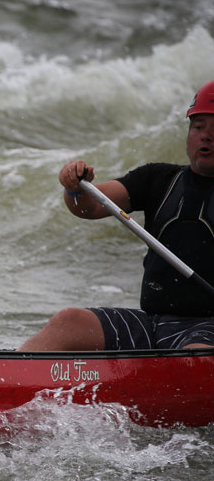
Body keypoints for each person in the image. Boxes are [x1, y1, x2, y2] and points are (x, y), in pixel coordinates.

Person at [19, 80, 214, 351]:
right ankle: (5, 374)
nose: (206, 136)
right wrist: (76, 187)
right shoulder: (158, 178)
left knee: (196, 358)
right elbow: (89, 207)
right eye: (198, 127)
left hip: (206, 330)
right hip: (151, 324)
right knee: (68, 322)